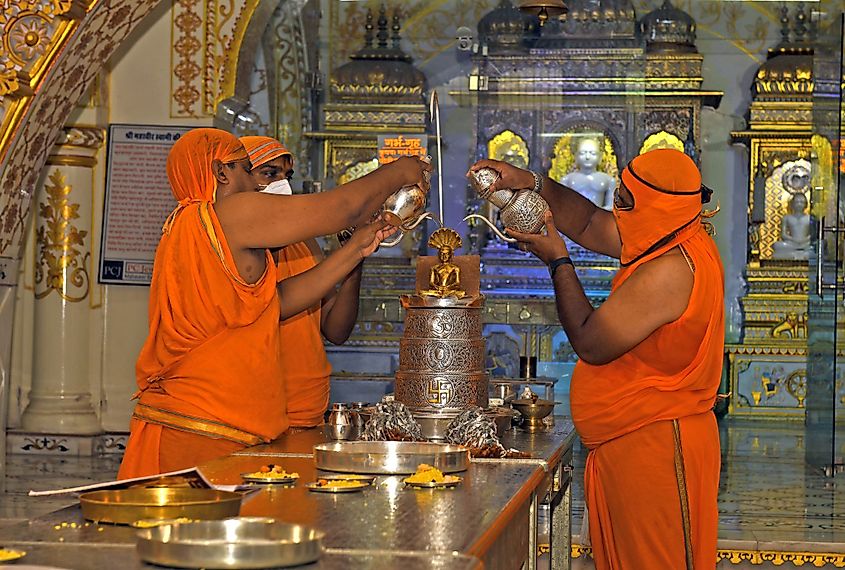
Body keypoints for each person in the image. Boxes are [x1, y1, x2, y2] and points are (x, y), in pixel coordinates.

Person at [118, 128, 429, 479]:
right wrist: (401, 171)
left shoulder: (191, 229)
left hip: (209, 422)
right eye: (246, 169)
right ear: (222, 173)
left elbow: (277, 302)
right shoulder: (229, 214)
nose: (255, 182)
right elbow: (345, 208)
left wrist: (357, 247)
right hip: (201, 423)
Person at [471, 148, 723, 570]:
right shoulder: (666, 231)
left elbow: (590, 341)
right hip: (633, 441)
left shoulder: (672, 269)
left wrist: (557, 260)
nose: (615, 208)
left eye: (624, 201)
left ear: (656, 206)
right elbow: (588, 221)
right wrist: (531, 182)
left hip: (658, 447)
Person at [240, 136, 382, 428]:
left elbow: (335, 329)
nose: (283, 184)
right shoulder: (234, 245)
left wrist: (354, 257)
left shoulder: (304, 242)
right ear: (240, 178)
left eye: (286, 175)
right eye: (270, 174)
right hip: (251, 403)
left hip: (305, 404)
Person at [560, 137, 616, 209]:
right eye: (583, 153)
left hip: (599, 218)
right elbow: (562, 206)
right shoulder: (566, 180)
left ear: (600, 157)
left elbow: (611, 207)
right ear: (576, 156)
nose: (587, 157)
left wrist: (596, 214)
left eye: (593, 153)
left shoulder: (609, 180)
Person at [772, 192, 810, 260]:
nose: (799, 204)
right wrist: (794, 240)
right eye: (797, 202)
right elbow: (783, 235)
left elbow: (812, 235)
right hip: (791, 244)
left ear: (806, 204)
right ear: (792, 204)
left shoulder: (809, 218)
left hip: (806, 244)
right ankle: (802, 255)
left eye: (802, 202)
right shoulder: (787, 218)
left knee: (820, 245)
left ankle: (795, 255)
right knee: (777, 245)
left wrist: (804, 240)